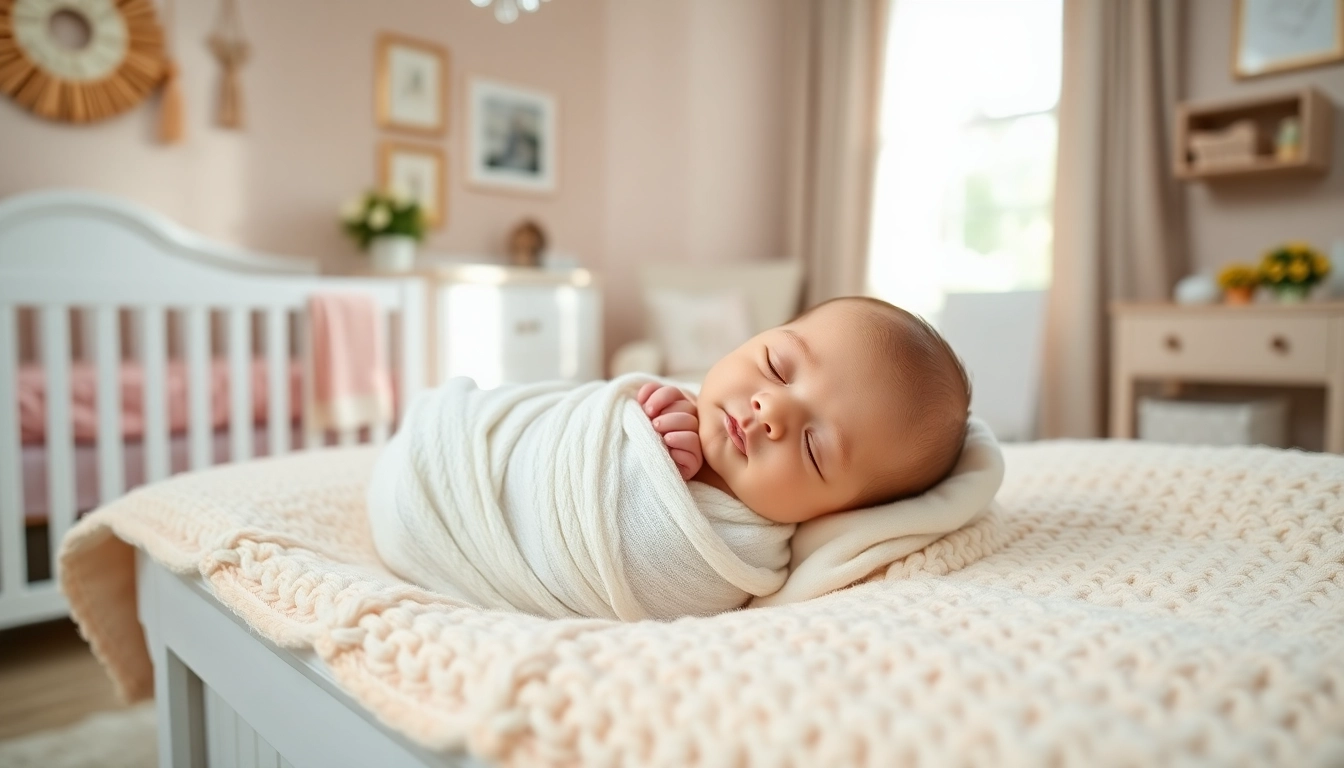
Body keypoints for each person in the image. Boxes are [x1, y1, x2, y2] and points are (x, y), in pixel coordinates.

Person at [638, 296, 970, 524]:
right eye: (775, 367)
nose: (770, 410)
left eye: (812, 447)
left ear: (835, 515)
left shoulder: (747, 555)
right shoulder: (666, 402)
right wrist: (647, 429)